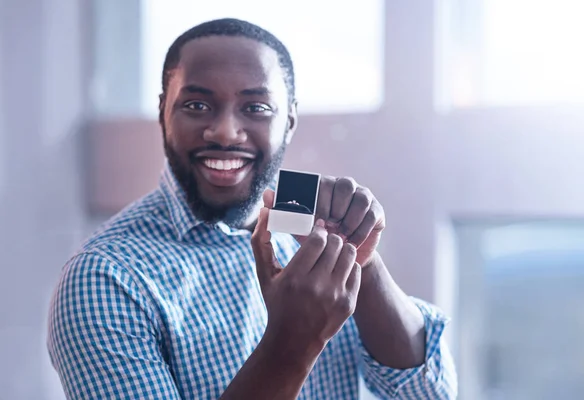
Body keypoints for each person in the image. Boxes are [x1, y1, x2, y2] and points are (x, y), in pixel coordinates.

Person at [47, 18, 457, 399]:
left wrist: (364, 264)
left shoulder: (311, 221)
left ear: (290, 120)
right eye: (197, 105)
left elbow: (429, 393)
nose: (225, 131)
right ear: (162, 112)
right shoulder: (105, 275)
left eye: (256, 107)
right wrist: (292, 342)